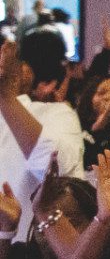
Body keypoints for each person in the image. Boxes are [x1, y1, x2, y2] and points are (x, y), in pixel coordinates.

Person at [1, 33, 85, 245]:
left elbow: (57, 171)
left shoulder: (55, 113)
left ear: (25, 72)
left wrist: (6, 97)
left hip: (22, 252)